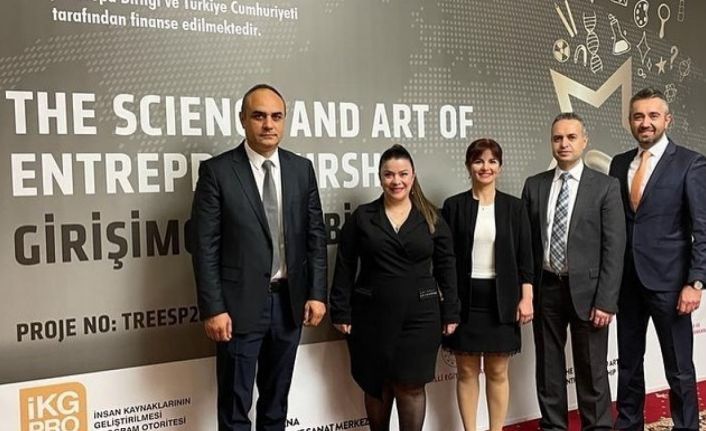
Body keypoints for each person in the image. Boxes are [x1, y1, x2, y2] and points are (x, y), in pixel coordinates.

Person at [190, 84, 327, 431]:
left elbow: (315, 236)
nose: (269, 124)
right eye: (259, 116)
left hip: (289, 305)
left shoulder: (301, 169)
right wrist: (213, 308)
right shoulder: (218, 172)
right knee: (235, 409)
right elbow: (205, 246)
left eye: (276, 116)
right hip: (237, 309)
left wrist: (316, 293)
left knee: (276, 405)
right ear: (243, 119)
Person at [329, 144, 460, 431]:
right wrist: (340, 310)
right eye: (389, 174)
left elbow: (446, 266)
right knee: (377, 385)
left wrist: (451, 311)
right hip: (371, 316)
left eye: (403, 174)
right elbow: (345, 265)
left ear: (413, 176)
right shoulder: (363, 217)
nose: (396, 181)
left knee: (411, 386)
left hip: (420, 318)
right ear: (380, 178)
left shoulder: (432, 217)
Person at [521, 112, 625, 430]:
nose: (564, 144)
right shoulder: (534, 185)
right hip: (546, 288)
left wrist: (606, 301)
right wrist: (527, 291)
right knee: (548, 370)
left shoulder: (606, 187)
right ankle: (553, 427)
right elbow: (527, 245)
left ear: (584, 141)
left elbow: (614, 247)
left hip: (590, 293)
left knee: (592, 371)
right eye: (557, 138)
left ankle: (598, 427)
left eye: (571, 137)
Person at [609, 87, 705, 431]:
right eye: (638, 116)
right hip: (627, 283)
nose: (645, 123)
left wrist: (696, 282)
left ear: (667, 120)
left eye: (653, 116)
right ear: (630, 122)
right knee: (628, 366)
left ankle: (686, 427)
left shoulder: (690, 163)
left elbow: (703, 227)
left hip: (671, 284)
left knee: (679, 369)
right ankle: (629, 425)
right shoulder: (619, 163)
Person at [441, 138, 534, 431]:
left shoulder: (514, 207)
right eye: (479, 160)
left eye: (492, 161)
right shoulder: (453, 206)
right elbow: (445, 258)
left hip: (502, 301)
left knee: (497, 372)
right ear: (469, 165)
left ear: (500, 167)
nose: (486, 167)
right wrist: (448, 303)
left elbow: (525, 257)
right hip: (465, 302)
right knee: (466, 372)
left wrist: (527, 297)